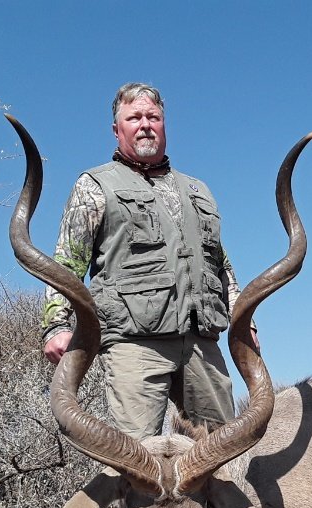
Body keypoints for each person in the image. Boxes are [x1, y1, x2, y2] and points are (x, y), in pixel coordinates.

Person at [41, 82, 248, 440]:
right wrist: (56, 325)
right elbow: (66, 264)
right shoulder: (95, 184)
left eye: (153, 116)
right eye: (134, 117)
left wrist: (245, 317)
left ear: (164, 124)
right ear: (117, 129)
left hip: (201, 342)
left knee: (221, 452)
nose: (145, 124)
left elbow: (219, 262)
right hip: (134, 344)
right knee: (136, 461)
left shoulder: (198, 190)